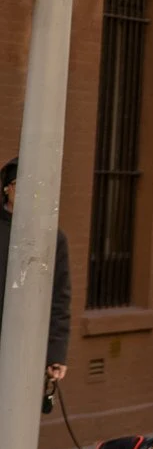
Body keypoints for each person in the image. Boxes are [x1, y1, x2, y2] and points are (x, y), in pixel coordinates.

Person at [0, 160, 72, 410]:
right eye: (21, 185)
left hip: (27, 346)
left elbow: (60, 298)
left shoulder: (52, 237)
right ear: (7, 188)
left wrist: (56, 353)